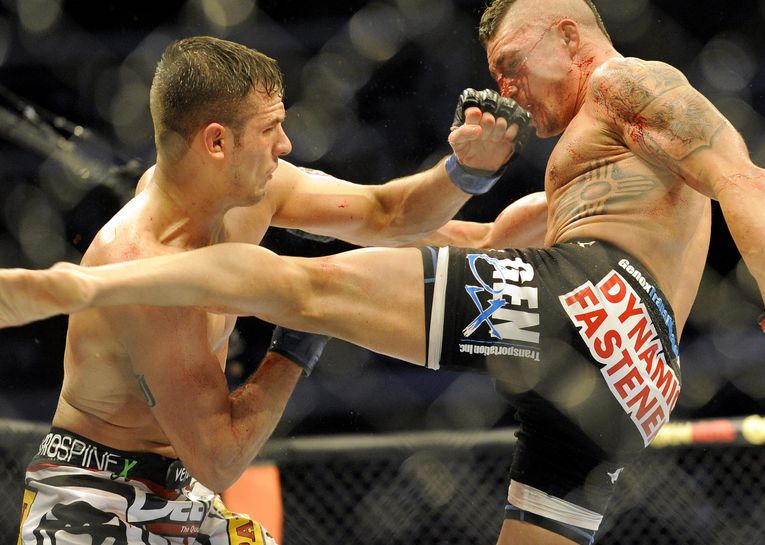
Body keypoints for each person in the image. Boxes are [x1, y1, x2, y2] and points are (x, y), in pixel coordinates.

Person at [1, 0, 765, 545]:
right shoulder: (590, 186)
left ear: (568, 37)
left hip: (594, 311)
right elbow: (458, 237)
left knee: (305, 288)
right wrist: (462, 175)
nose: (511, 91)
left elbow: (747, 177)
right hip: (633, 386)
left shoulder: (625, 83)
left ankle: (78, 286)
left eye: (513, 66)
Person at [5, 35, 531, 544]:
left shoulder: (253, 192)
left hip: (183, 494)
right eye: (271, 128)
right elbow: (219, 457)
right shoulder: (143, 269)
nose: (286, 144)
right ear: (217, 142)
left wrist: (466, 171)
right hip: (93, 500)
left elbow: (386, 213)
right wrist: (297, 340)